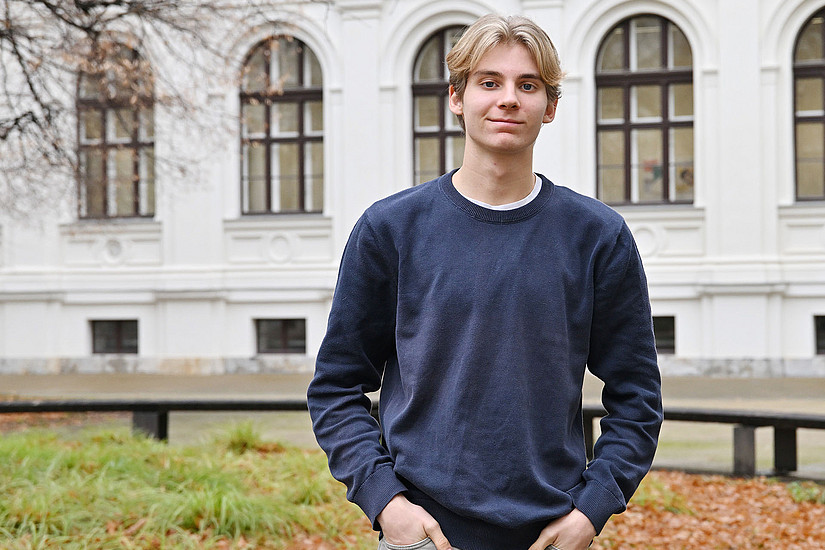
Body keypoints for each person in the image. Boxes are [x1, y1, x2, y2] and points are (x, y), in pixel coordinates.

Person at [307, 13, 663, 550]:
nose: (508, 99)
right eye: (489, 82)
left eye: (528, 85)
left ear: (551, 106)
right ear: (457, 97)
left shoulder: (597, 236)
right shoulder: (391, 229)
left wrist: (592, 510)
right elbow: (336, 387)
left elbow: (637, 398)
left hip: (551, 531)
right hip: (422, 535)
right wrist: (386, 502)